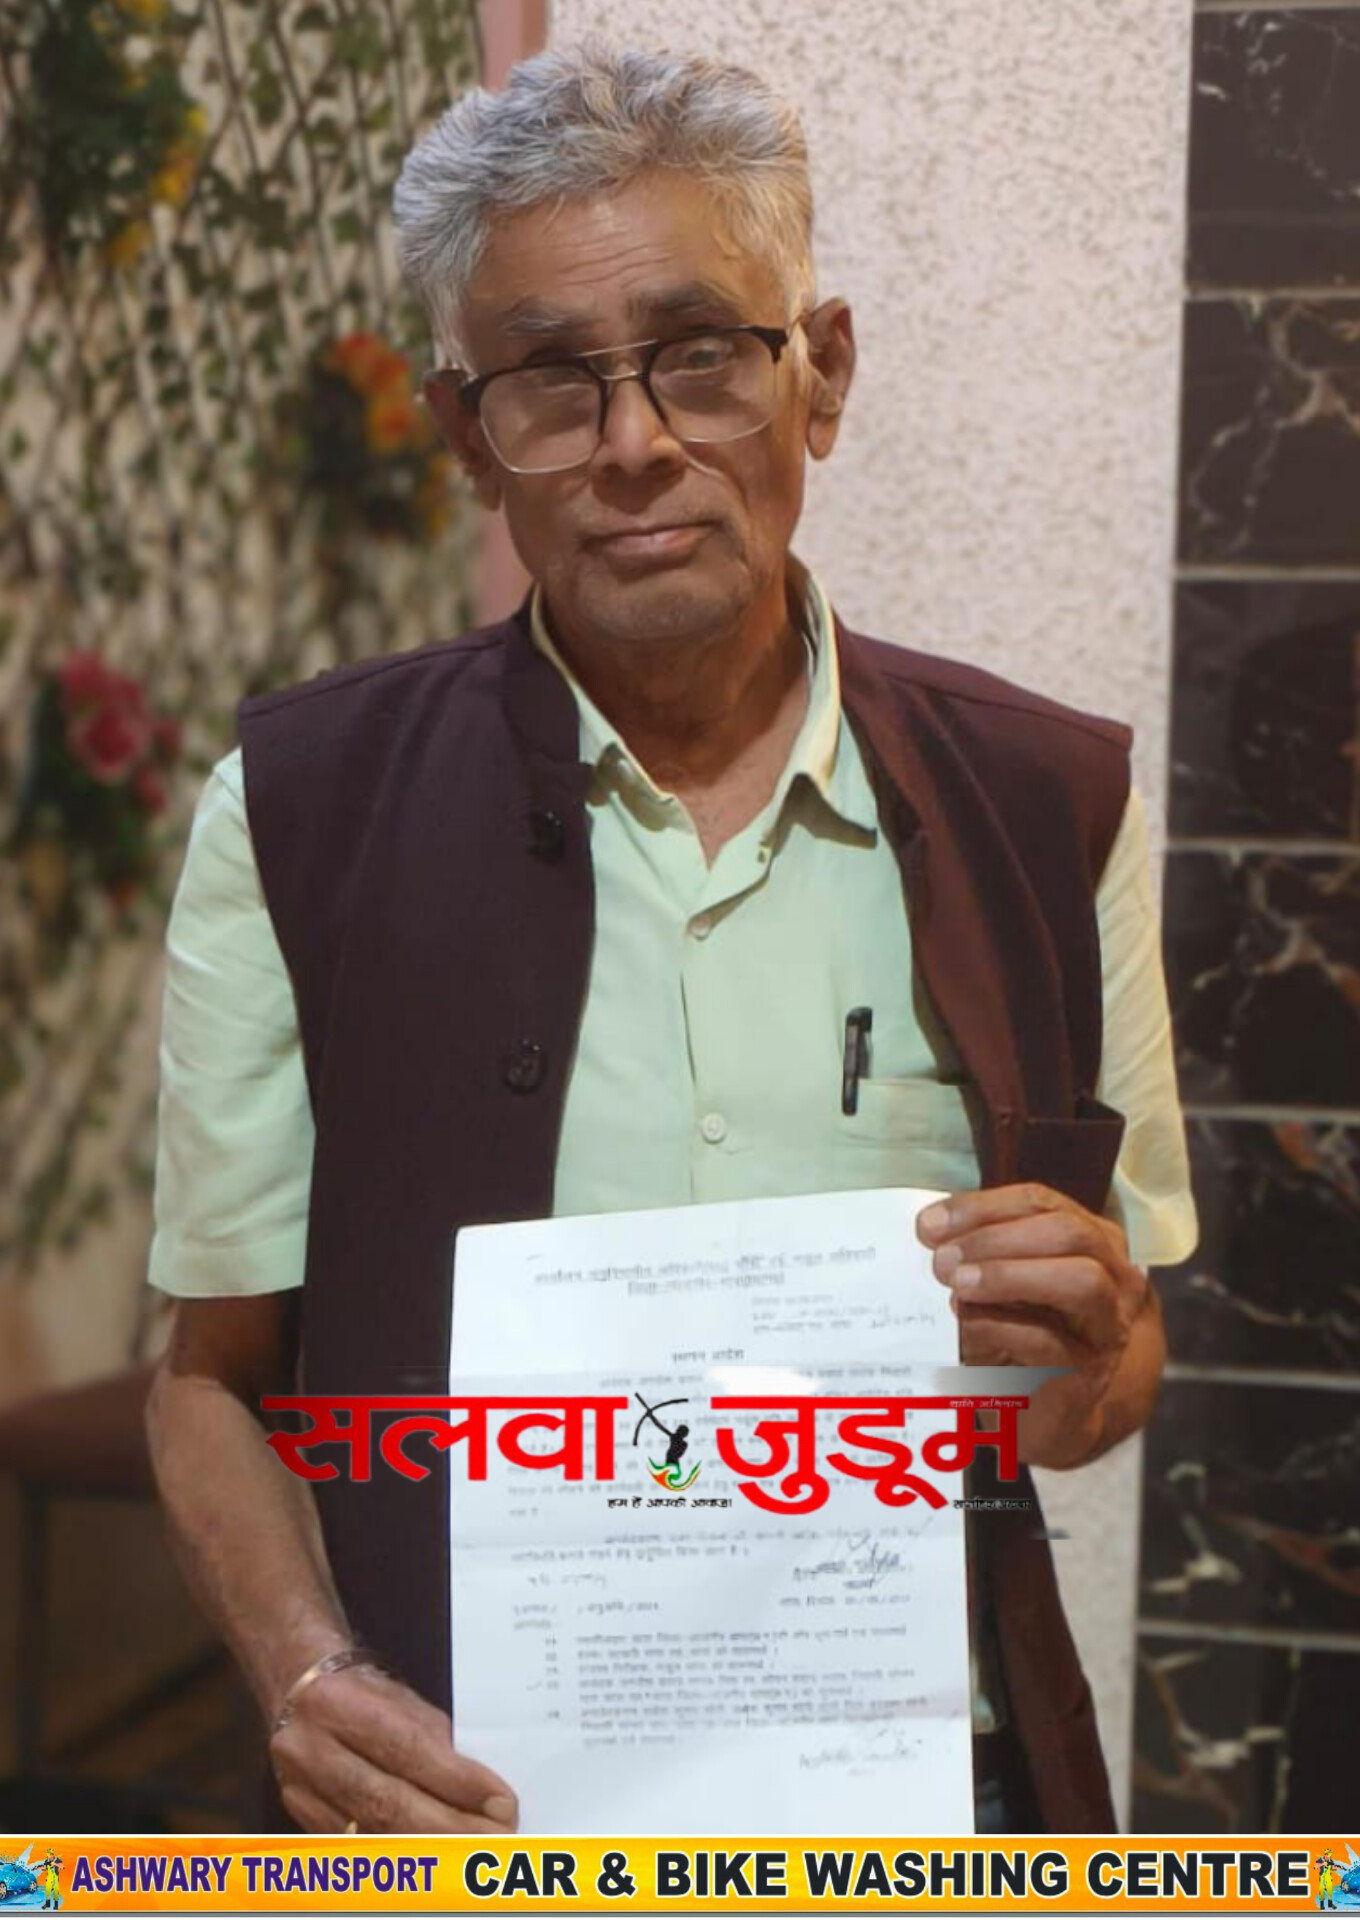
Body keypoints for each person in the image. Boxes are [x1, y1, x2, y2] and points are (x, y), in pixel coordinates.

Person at [145, 42, 1196, 1835]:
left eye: (704, 354)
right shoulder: (304, 812)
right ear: (471, 436)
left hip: (918, 1807)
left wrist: (1098, 1355)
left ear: (822, 374)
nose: (636, 445)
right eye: (551, 381)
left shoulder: (1045, 807)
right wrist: (308, 1679)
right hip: (473, 1819)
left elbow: (1106, 1368)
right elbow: (206, 1384)